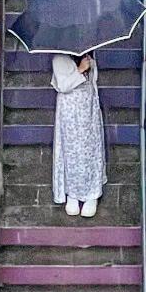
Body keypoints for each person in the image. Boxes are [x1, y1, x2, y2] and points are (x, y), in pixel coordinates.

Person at [51, 52, 105, 217]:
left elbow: (93, 80)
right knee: (71, 152)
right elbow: (63, 86)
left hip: (88, 108)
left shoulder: (88, 54)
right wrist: (80, 69)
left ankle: (92, 193)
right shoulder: (59, 59)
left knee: (90, 149)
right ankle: (72, 194)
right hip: (69, 111)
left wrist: (89, 65)